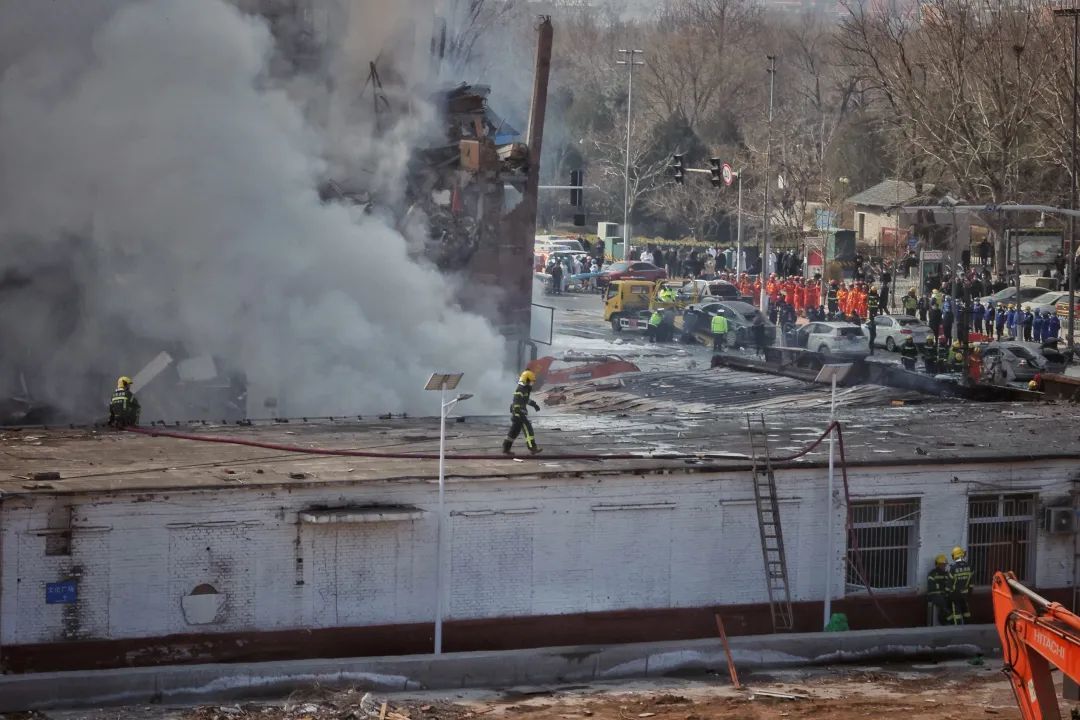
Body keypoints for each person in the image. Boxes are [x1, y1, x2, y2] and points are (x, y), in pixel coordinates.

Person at [503, 370, 542, 455]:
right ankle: (532, 448)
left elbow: (525, 400)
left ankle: (506, 448)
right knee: (528, 429)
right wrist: (517, 411)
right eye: (531, 381)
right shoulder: (521, 388)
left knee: (514, 432)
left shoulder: (525, 389)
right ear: (526, 380)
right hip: (519, 413)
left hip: (517, 413)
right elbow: (516, 400)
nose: (532, 383)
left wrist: (534, 405)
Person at [948, 546, 974, 625]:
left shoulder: (953, 568)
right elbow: (971, 583)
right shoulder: (969, 566)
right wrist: (969, 592)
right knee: (966, 611)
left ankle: (958, 628)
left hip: (955, 594)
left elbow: (950, 583)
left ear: (954, 556)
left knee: (957, 612)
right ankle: (968, 626)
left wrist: (949, 593)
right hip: (965, 593)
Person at [927, 554, 952, 626]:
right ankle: (947, 620)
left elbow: (949, 585)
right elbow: (932, 589)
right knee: (942, 603)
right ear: (937, 565)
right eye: (942, 565)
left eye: (945, 565)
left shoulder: (947, 574)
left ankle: (947, 619)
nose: (944, 566)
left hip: (944, 595)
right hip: (934, 595)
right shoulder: (932, 574)